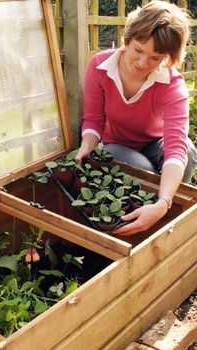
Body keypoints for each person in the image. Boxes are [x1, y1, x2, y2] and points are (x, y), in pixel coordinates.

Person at [75, 0, 197, 236]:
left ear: (167, 57)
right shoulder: (99, 67)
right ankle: (136, 215)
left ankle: (165, 212)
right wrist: (86, 146)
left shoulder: (171, 85)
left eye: (155, 57)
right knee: (136, 167)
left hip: (154, 144)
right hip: (118, 146)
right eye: (139, 50)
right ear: (128, 38)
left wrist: (164, 202)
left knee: (189, 155)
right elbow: (93, 121)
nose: (143, 63)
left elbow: (175, 147)